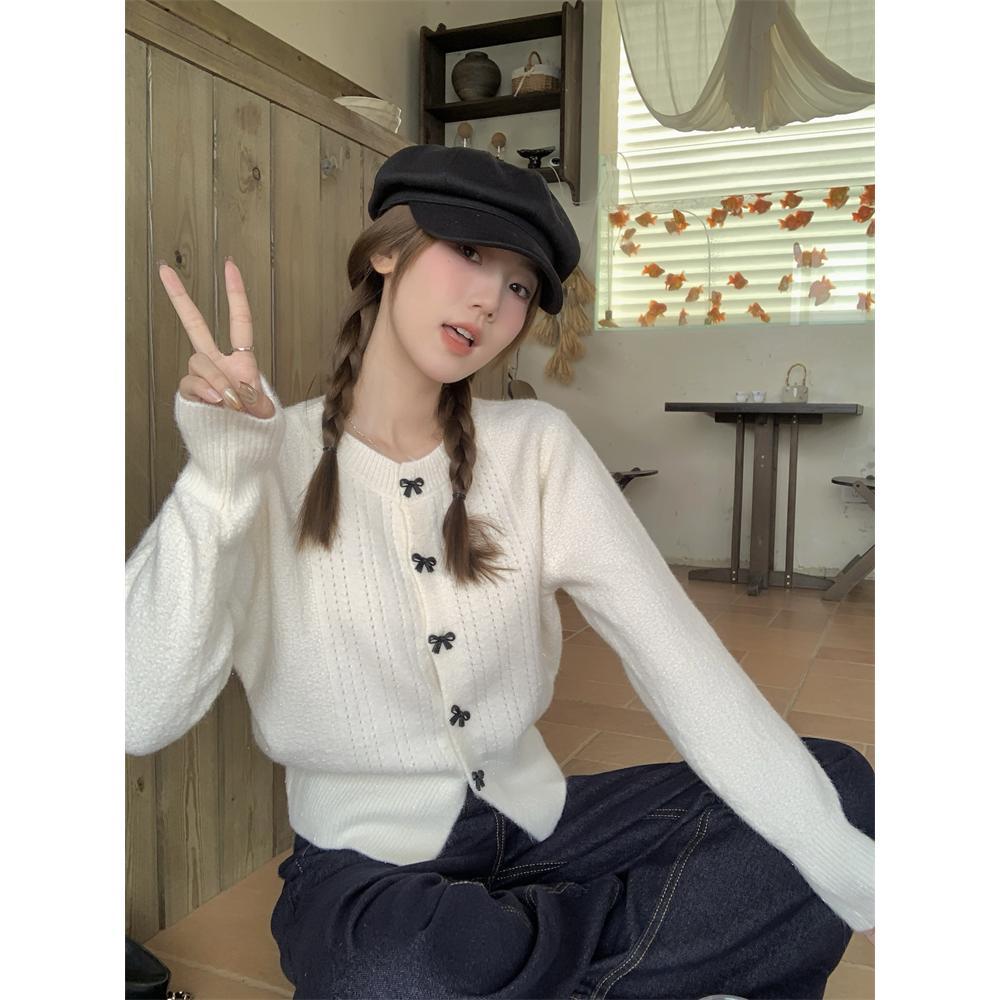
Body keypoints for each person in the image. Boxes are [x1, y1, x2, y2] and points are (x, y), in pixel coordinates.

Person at [126, 144, 874, 1000]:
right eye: (470, 252)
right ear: (387, 251)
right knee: (396, 969)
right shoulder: (265, 455)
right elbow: (139, 709)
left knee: (840, 795)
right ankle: (615, 960)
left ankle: (519, 958)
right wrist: (219, 482)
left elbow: (680, 661)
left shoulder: (536, 448)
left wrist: (838, 860)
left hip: (541, 828)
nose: (491, 300)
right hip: (364, 870)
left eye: (519, 286)